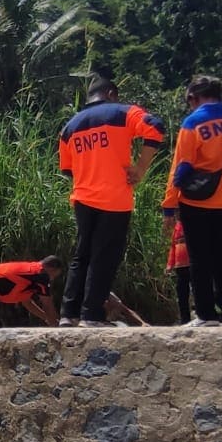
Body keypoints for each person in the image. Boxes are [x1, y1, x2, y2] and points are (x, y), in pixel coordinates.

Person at [58, 77, 166, 327]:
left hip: (83, 198)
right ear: (111, 94)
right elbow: (156, 127)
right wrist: (139, 168)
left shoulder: (70, 126)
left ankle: (68, 314)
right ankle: (91, 315)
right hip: (115, 198)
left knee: (82, 255)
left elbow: (66, 168)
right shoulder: (123, 112)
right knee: (104, 256)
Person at [162, 75, 222, 327]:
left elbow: (181, 168)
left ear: (194, 98)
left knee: (199, 258)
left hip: (197, 202)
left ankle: (205, 315)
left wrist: (169, 205)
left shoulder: (194, 122)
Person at [0, 256, 65, 328]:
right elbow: (47, 304)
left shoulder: (32, 272)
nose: (52, 279)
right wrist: (56, 326)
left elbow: (28, 303)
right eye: (55, 275)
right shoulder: (40, 274)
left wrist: (46, 318)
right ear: (51, 269)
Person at [166, 219, 192, 324]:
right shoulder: (176, 228)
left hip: (193, 264)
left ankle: (204, 315)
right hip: (180, 266)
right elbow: (173, 247)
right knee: (182, 294)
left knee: (198, 289)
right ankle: (185, 319)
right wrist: (169, 265)